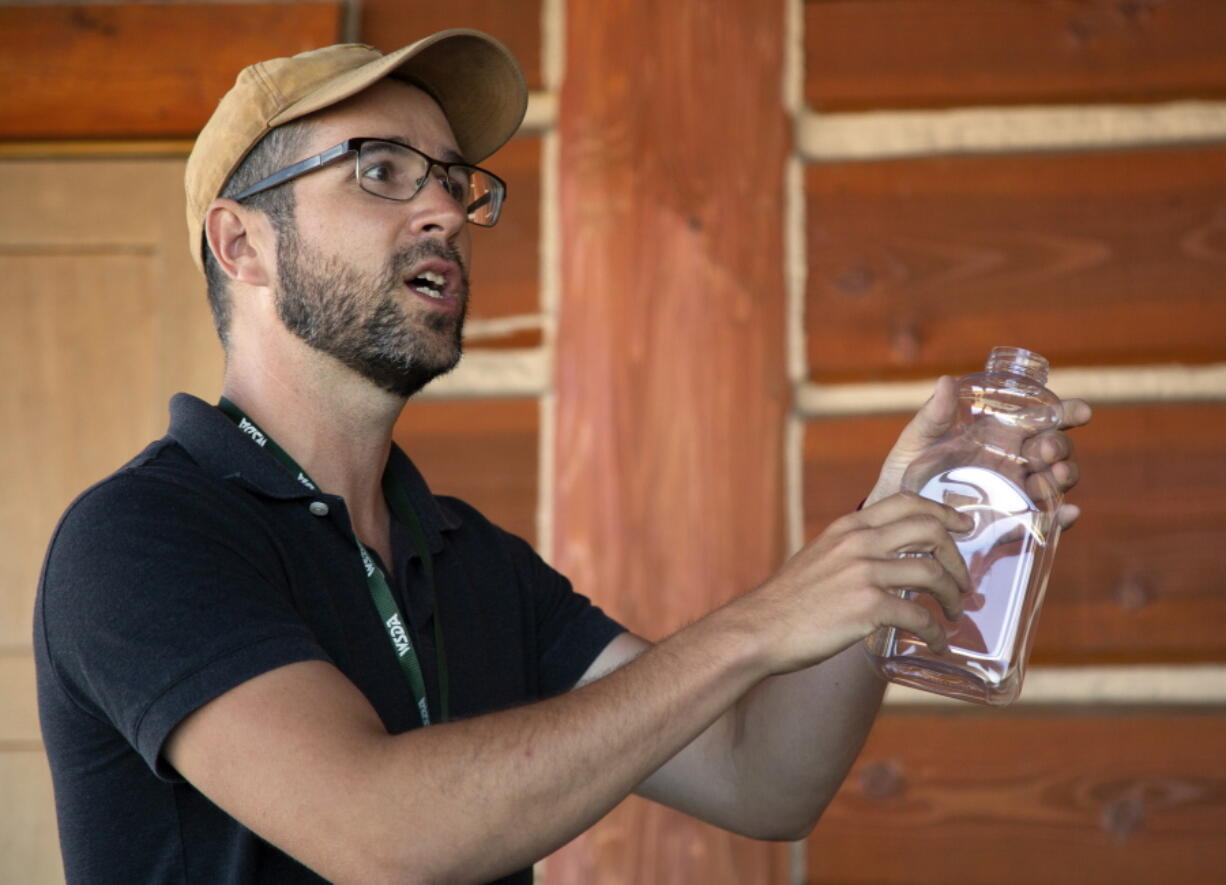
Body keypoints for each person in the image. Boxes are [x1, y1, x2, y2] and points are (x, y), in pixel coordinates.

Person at [34, 28, 1091, 885]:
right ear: (241, 245)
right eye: (381, 173)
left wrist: (888, 530)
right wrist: (763, 622)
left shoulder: (472, 560)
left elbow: (761, 782)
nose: (446, 209)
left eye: (452, 180)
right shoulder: (139, 539)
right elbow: (381, 836)